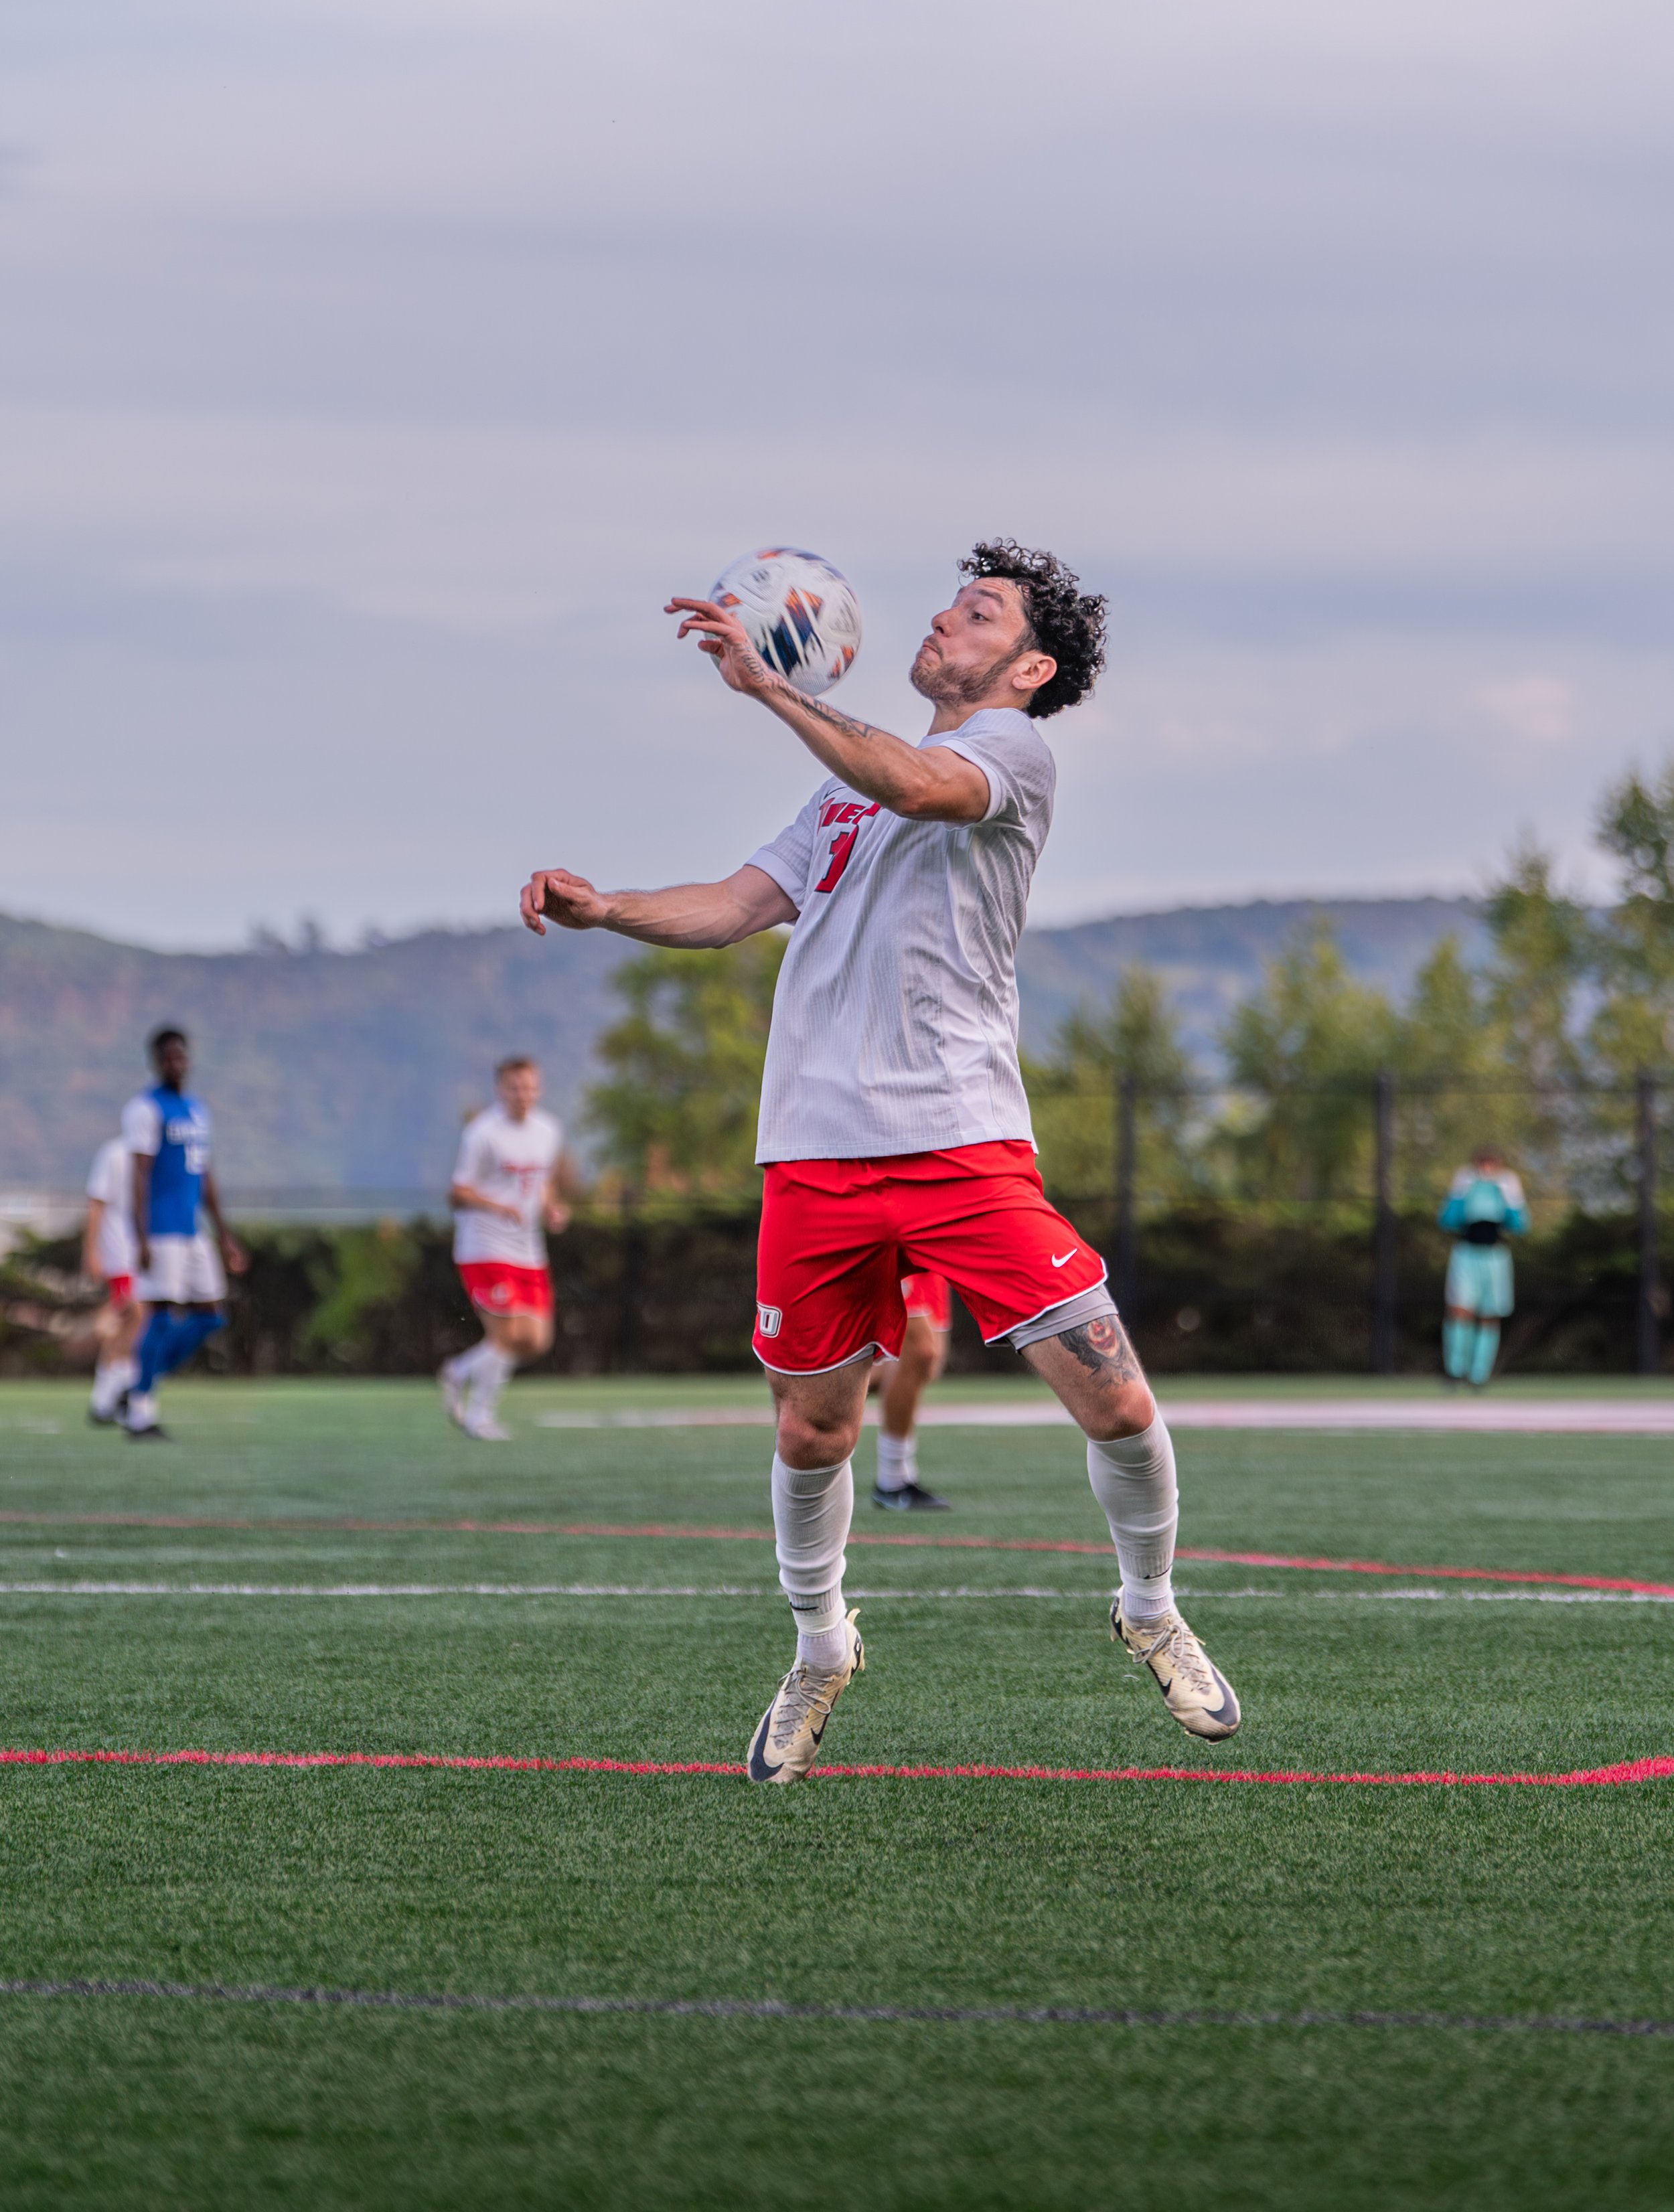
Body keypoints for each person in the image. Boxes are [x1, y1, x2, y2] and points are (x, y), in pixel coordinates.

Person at [521, 539, 1240, 1782]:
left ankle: (1150, 1607)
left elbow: (918, 786)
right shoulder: (841, 790)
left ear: (1028, 666)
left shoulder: (1010, 753)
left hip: (960, 1140)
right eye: (952, 603)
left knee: (1117, 1396)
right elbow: (735, 907)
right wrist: (609, 909)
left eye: (979, 613)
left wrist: (773, 690)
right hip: (815, 1152)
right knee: (811, 1434)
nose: (945, 623)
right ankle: (819, 1648)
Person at [120, 1026, 247, 1440]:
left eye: (182, 1056)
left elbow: (204, 1175)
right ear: (157, 1062)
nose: (177, 1063)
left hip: (193, 1231)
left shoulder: (196, 1110)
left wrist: (224, 1235)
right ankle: (140, 1411)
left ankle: (140, 1379)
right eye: (169, 1057)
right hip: (161, 1230)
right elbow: (139, 1176)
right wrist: (140, 1238)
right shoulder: (145, 1109)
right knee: (160, 1316)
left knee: (211, 1314)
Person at [440, 1056, 568, 1441]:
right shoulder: (482, 1133)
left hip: (528, 1248)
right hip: (484, 1246)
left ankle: (459, 1372)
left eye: (529, 1087)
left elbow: (543, 1182)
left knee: (536, 1341)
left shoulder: (548, 1129)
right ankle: (479, 1416)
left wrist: (551, 1209)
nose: (522, 1094)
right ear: (500, 1090)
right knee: (507, 1333)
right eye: (514, 1087)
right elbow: (458, 1193)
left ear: (539, 1089)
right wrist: (499, 1207)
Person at [1439, 1147, 1529, 1390]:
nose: (1487, 1168)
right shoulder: (1467, 1184)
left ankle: (1479, 1375)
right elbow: (1447, 1221)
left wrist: (1513, 1199)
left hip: (1496, 1257)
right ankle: (1455, 1370)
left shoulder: (1505, 1186)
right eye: (1483, 1163)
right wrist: (1458, 1194)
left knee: (1490, 1314)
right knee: (1460, 1310)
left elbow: (1521, 1226)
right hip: (1466, 1254)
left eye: (1493, 1164)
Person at [868, 1271, 954, 1510]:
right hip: (898, 1243)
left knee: (925, 1367)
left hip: (933, 1256)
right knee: (921, 1352)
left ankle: (810, 1402)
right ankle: (892, 1480)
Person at [83, 1131, 143, 1425]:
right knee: (136, 1317)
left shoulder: (155, 1157)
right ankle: (118, 1395)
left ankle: (106, 1399)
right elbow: (96, 1203)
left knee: (130, 1323)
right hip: (119, 1253)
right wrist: (92, 1251)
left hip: (141, 1253)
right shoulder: (114, 1154)